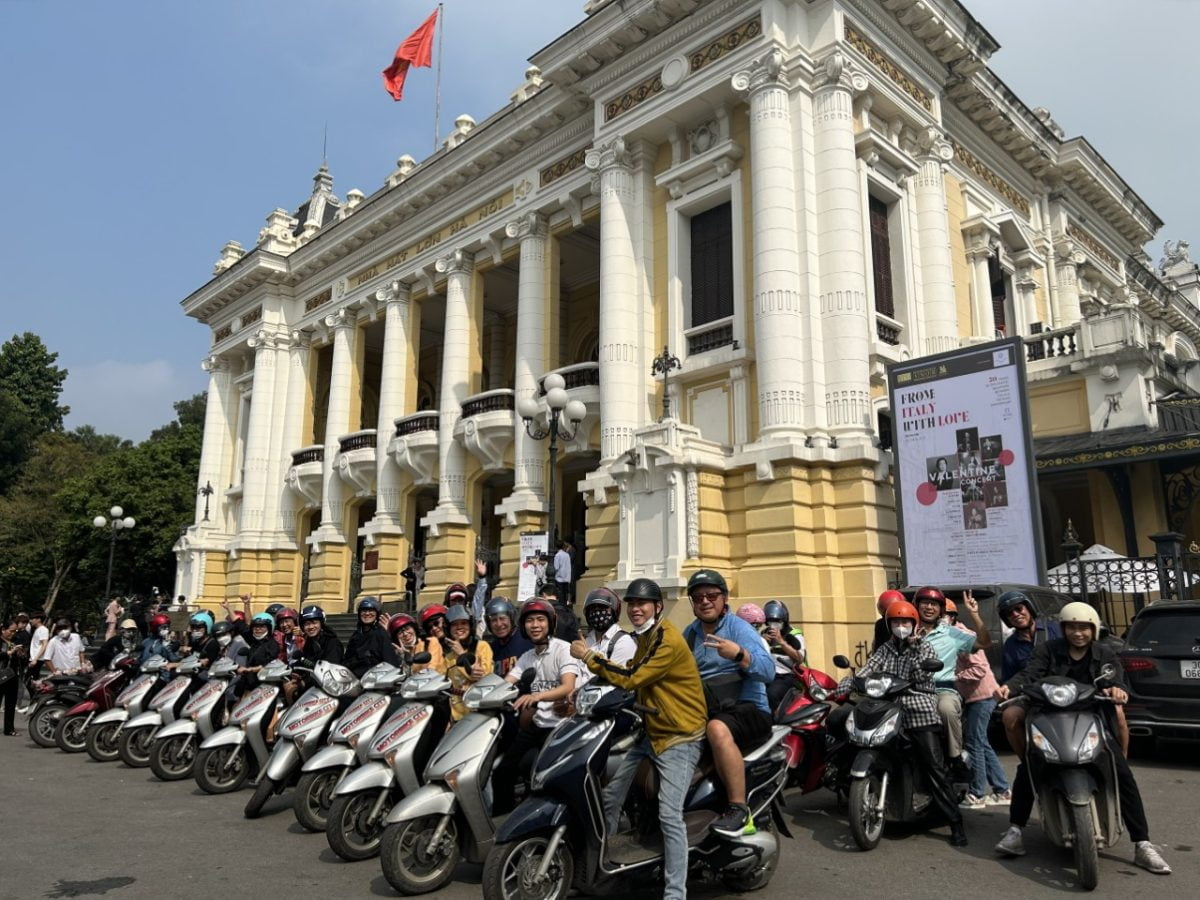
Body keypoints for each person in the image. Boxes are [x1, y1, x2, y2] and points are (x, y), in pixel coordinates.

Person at [993, 602, 1170, 874]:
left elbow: (1116, 679)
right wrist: (1009, 687)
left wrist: (1117, 691)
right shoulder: (1048, 650)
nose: (1078, 633)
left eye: (1084, 627)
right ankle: (1015, 831)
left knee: (1121, 773)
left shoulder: (1104, 653)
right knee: (1029, 765)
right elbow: (1029, 674)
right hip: (1049, 717)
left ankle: (1143, 844)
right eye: (1072, 627)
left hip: (1091, 718)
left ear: (1093, 629)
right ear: (1063, 629)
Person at [569, 577, 706, 900]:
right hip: (652, 729)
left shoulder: (667, 640)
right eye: (631, 604)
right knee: (611, 795)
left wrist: (589, 656)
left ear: (658, 607)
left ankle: (675, 893)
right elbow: (629, 668)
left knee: (669, 815)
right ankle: (602, 868)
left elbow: (632, 677)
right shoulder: (645, 637)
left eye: (642, 603)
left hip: (679, 735)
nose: (636, 609)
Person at [836, 599, 968, 847]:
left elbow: (923, 674)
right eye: (896, 622)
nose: (900, 626)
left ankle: (955, 822)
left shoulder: (924, 647)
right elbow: (868, 669)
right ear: (889, 624)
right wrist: (849, 682)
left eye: (905, 622)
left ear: (913, 623)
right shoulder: (886, 649)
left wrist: (917, 651)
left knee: (933, 765)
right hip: (889, 704)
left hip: (918, 706)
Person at [681, 569, 775, 838]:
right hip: (709, 711)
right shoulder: (690, 635)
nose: (705, 601)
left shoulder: (739, 629)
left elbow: (767, 671)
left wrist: (739, 654)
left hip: (749, 709)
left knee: (717, 729)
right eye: (698, 597)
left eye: (711, 595)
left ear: (723, 599)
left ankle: (738, 809)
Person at [492, 599, 581, 815]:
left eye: (540, 620)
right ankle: (501, 823)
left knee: (540, 775)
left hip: (561, 726)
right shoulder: (527, 657)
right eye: (530, 621)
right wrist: (485, 693)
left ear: (550, 623)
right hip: (538, 724)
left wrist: (536, 696)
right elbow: (506, 682)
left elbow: (567, 685)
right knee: (502, 771)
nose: (535, 625)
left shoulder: (564, 650)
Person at [913, 587, 990, 781]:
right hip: (911, 691)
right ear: (916, 606)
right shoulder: (907, 630)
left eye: (934, 604)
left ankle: (955, 758)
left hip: (942, 689)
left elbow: (984, 642)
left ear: (941, 610)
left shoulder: (952, 634)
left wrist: (975, 615)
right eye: (925, 603)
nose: (929, 608)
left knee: (946, 708)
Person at [952, 599, 1011, 809]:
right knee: (982, 743)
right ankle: (1002, 790)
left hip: (982, 696)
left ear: (950, 617)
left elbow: (979, 669)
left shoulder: (962, 636)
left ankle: (977, 793)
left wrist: (954, 676)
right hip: (978, 696)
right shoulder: (950, 636)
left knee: (974, 743)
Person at [575, 587, 636, 689]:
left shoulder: (623, 642)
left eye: (602, 607)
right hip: (581, 700)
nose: (597, 612)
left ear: (614, 611)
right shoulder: (587, 641)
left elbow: (617, 679)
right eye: (593, 608)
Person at [442, 606, 493, 720]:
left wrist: (461, 654)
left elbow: (483, 676)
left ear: (470, 626)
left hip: (480, 713)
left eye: (464, 623)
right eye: (454, 624)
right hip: (457, 716)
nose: (459, 627)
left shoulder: (481, 647)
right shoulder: (449, 658)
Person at [762, 600, 806, 712]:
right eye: (770, 621)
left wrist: (781, 641)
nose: (773, 624)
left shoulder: (794, 634)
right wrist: (762, 641)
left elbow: (799, 658)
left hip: (789, 674)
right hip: (768, 673)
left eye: (777, 621)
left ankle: (777, 722)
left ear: (784, 620)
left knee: (772, 694)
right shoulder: (765, 633)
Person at [342, 597, 398, 678]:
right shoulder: (356, 635)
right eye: (364, 610)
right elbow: (347, 659)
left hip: (375, 679)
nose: (367, 613)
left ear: (377, 613)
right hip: (354, 679)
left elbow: (390, 660)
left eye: (371, 610)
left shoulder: (381, 634)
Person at [236, 612, 282, 695]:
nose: (258, 629)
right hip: (249, 682)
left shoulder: (273, 645)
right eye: (255, 627)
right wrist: (228, 608)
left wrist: (249, 669)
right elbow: (240, 626)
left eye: (262, 627)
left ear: (269, 628)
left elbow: (267, 665)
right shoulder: (253, 641)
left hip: (266, 684)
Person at [484, 597, 531, 677]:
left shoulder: (527, 640)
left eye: (502, 618)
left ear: (512, 618)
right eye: (494, 620)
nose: (499, 624)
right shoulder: (491, 650)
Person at [1, 621, 21, 735]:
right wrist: (9, 652)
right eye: (11, 631)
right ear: (3, 629)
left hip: (12, 675)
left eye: (15, 631)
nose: (13, 634)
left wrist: (19, 654)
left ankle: (9, 729)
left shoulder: (14, 642)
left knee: (10, 704)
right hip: (1, 674)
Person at [26, 611, 50, 680]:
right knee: (29, 680)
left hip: (37, 659)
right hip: (34, 659)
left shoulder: (43, 630)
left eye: (32, 619)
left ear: (38, 619)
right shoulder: (37, 629)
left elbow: (44, 645)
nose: (30, 621)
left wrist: (35, 659)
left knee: (32, 681)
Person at [553, 540, 573, 608]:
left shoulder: (557, 555)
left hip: (559, 578)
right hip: (567, 577)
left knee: (560, 594)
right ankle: (565, 607)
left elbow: (556, 567)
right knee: (565, 594)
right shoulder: (567, 555)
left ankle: (561, 608)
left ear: (556, 547)